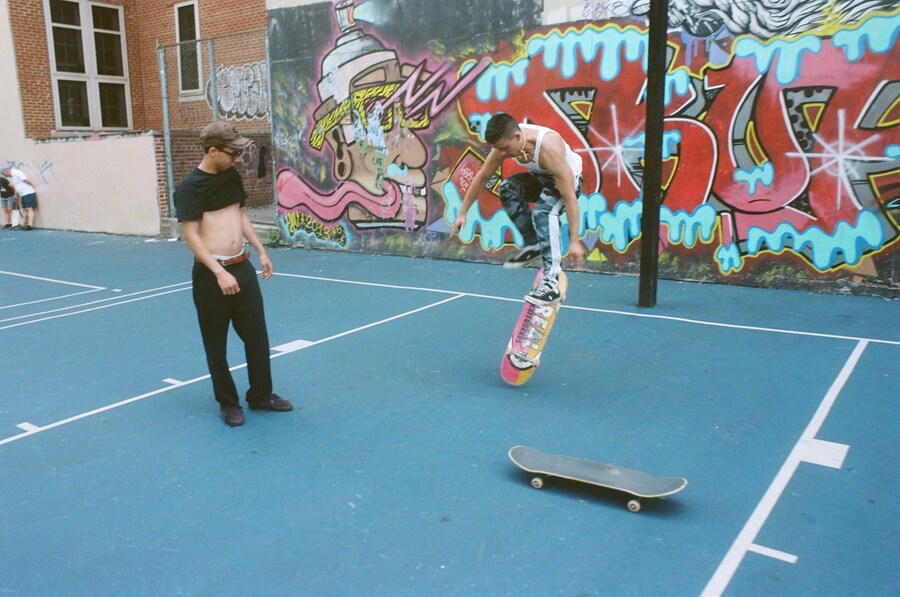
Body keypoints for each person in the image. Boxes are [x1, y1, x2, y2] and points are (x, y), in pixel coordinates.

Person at [174, 120, 293, 427]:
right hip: (211, 277)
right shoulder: (190, 188)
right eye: (231, 153)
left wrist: (261, 249)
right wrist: (218, 272)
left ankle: (260, 396)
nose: (236, 159)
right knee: (216, 344)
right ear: (212, 151)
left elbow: (238, 214)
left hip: (242, 268)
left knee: (257, 338)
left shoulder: (230, 177)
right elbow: (191, 235)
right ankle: (228, 403)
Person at [451, 113, 586, 303]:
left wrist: (574, 240)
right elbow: (482, 177)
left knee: (544, 212)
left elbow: (570, 197)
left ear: (517, 137)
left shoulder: (548, 148)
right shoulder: (504, 143)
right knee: (508, 189)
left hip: (568, 182)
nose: (502, 153)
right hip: (541, 177)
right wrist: (462, 213)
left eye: (505, 148)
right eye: (498, 149)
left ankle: (552, 283)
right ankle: (533, 243)